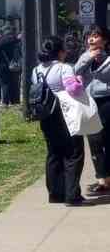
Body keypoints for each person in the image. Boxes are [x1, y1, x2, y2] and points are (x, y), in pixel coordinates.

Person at [36, 36, 87, 206]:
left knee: (54, 153)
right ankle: (72, 194)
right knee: (74, 153)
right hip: (64, 112)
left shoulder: (36, 70)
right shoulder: (64, 68)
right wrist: (79, 81)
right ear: (60, 52)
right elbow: (73, 89)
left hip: (45, 114)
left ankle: (55, 193)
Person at [74, 25, 110, 195]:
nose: (91, 39)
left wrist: (101, 58)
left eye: (95, 36)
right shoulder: (84, 56)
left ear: (105, 39)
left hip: (107, 101)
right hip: (90, 102)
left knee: (108, 140)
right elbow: (75, 71)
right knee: (95, 141)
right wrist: (89, 57)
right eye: (89, 36)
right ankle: (102, 179)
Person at [0, 26, 22, 106]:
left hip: (2, 65)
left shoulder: (0, 41)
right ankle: (15, 101)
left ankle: (5, 101)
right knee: (15, 83)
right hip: (15, 64)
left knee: (4, 83)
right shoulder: (16, 40)